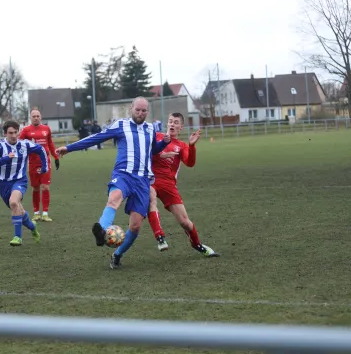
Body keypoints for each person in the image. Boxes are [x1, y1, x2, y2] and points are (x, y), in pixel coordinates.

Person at [55, 97, 170, 269]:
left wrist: (163, 144)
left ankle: (117, 255)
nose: (140, 113)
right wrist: (69, 148)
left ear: (147, 111)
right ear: (131, 108)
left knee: (136, 226)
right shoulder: (120, 125)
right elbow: (97, 138)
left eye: (144, 110)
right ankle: (101, 230)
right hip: (123, 174)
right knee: (114, 197)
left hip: (143, 181)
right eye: (137, 110)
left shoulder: (150, 129)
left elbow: (152, 150)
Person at [146, 112, 219, 257]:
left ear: (181, 127)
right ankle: (160, 237)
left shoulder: (181, 146)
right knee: (150, 199)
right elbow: (145, 153)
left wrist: (191, 146)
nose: (172, 124)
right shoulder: (157, 137)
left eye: (176, 122)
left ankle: (197, 245)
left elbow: (190, 163)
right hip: (151, 179)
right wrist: (158, 155)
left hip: (168, 185)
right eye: (170, 121)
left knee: (185, 222)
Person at [0, 120, 48, 246]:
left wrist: (45, 167)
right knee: (18, 210)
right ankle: (32, 227)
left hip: (20, 181)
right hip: (3, 184)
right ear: (5, 133)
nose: (13, 135)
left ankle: (17, 237)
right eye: (10, 133)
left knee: (14, 202)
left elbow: (41, 149)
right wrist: (5, 158)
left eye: (15, 132)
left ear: (18, 132)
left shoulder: (25, 145)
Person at [19, 109, 60, 222]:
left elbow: (50, 143)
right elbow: (19, 145)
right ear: (30, 118)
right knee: (35, 188)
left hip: (45, 162)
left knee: (45, 186)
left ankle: (45, 213)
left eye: (38, 116)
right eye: (34, 116)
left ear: (40, 117)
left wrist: (55, 157)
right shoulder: (26, 130)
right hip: (32, 163)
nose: (36, 118)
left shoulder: (46, 129)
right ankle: (36, 213)